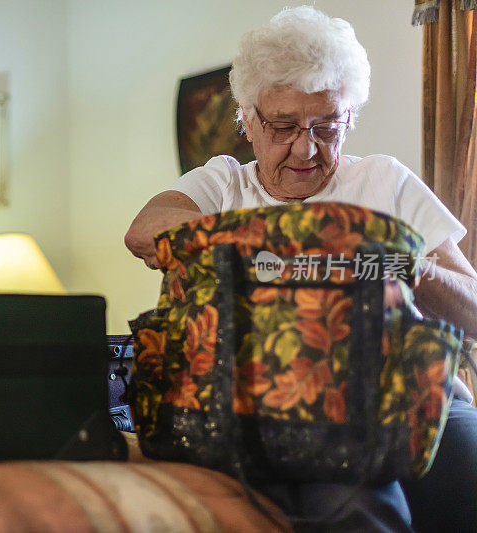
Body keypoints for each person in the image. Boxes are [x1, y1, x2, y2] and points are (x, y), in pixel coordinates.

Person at [125, 6, 477, 532]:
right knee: (345, 492)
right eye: (284, 126)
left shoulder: (385, 180)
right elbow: (145, 230)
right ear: (248, 120)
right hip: (259, 398)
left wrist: (399, 263)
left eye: (326, 125)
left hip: (405, 393)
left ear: (350, 117)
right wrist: (293, 245)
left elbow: (472, 307)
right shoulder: (224, 184)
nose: (306, 147)